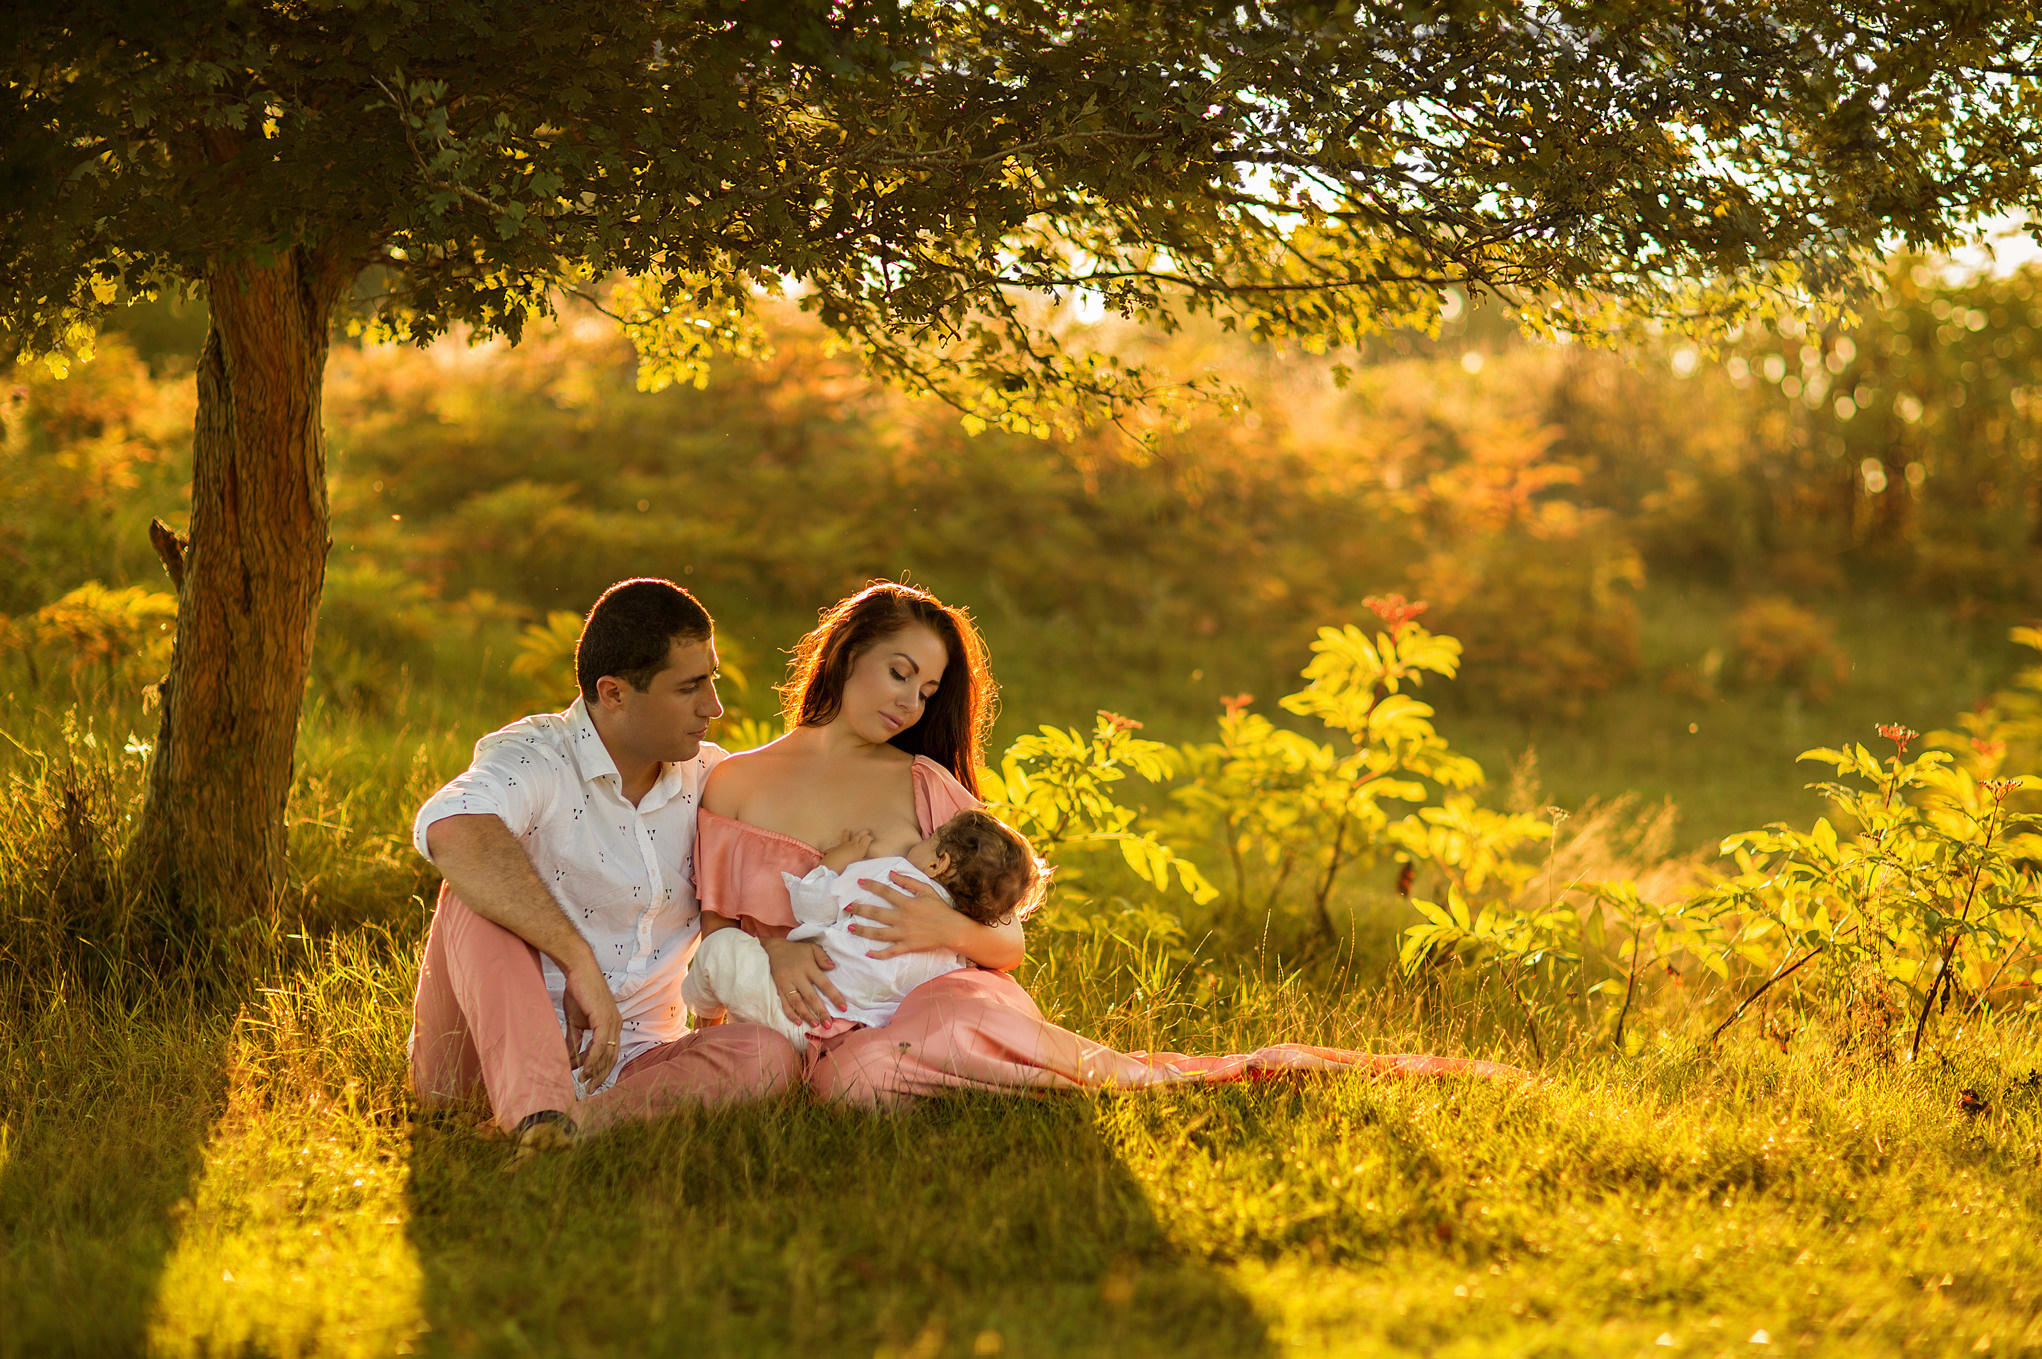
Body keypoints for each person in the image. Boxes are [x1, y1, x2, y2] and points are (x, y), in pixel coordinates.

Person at [695, 581, 1527, 1108]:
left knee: (905, 1049)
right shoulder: (735, 785)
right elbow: (698, 932)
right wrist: (766, 954)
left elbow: (1006, 942)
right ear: (845, 656)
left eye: (931, 685)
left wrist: (946, 932)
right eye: (899, 671)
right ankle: (1005, 1089)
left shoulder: (924, 785)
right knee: (849, 1080)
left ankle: (1112, 1082)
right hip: (823, 1028)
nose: (914, 699)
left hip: (940, 1002)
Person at [409, 578, 801, 1148]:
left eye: (711, 680)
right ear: (613, 693)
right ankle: (538, 1115)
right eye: (690, 687)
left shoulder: (714, 782)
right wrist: (577, 961)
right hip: (479, 1062)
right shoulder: (539, 755)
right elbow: (453, 826)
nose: (713, 707)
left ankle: (574, 1131)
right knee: (472, 893)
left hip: (637, 1057)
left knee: (766, 1054)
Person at [681, 809, 1043, 1051]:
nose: (919, 843)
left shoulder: (889, 877)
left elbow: (811, 905)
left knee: (721, 947)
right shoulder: (960, 954)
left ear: (938, 861)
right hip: (847, 1040)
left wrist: (838, 859)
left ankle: (705, 1021)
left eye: (928, 839)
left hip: (792, 1005)